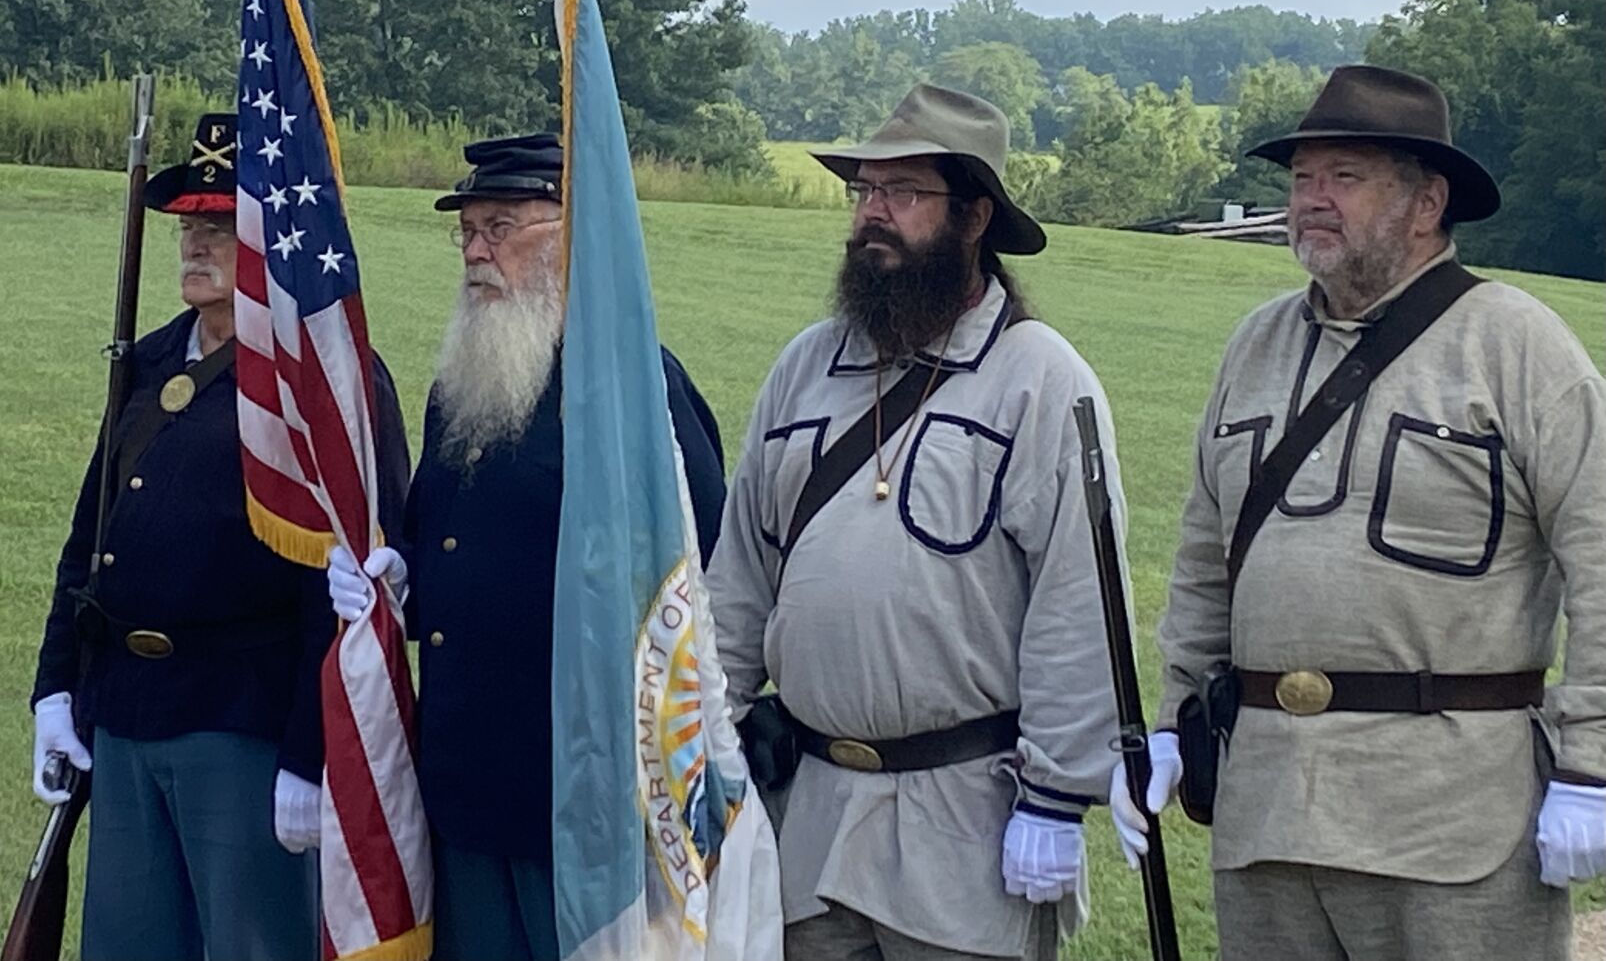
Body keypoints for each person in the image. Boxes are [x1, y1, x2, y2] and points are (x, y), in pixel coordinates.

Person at [1114, 65, 1606, 960]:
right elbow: (1202, 557)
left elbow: (1603, 556)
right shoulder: (1255, 344)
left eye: (1345, 177)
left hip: (1452, 821)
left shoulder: (1517, 344)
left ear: (1427, 203)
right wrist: (1173, 714)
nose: (1312, 201)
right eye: (1302, 180)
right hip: (1268, 811)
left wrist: (1590, 763)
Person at [706, 84, 1130, 961]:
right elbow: (741, 572)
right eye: (865, 192)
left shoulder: (1041, 380)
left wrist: (1054, 798)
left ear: (974, 217)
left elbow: (1080, 600)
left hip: (964, 828)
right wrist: (711, 728)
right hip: (808, 817)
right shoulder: (805, 367)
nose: (874, 216)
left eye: (903, 195)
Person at [326, 133, 728, 961]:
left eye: (501, 226)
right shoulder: (461, 384)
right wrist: (399, 578)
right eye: (468, 230)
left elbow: (701, 574)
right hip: (466, 782)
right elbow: (437, 531)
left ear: (572, 237)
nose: (476, 251)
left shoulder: (637, 392)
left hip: (582, 798)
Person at [30, 112, 411, 961]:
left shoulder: (324, 378)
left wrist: (309, 754)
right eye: (190, 226)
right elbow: (93, 533)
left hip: (242, 722)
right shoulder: (152, 355)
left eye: (219, 225)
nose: (195, 245)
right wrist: (56, 689)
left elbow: (344, 573)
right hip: (125, 712)